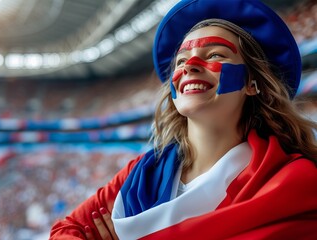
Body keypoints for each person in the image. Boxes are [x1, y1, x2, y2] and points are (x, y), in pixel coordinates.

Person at [50, 0, 317, 239]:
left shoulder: (294, 183)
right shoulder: (140, 173)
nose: (188, 66)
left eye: (214, 55)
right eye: (181, 61)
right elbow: (64, 230)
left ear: (252, 82)